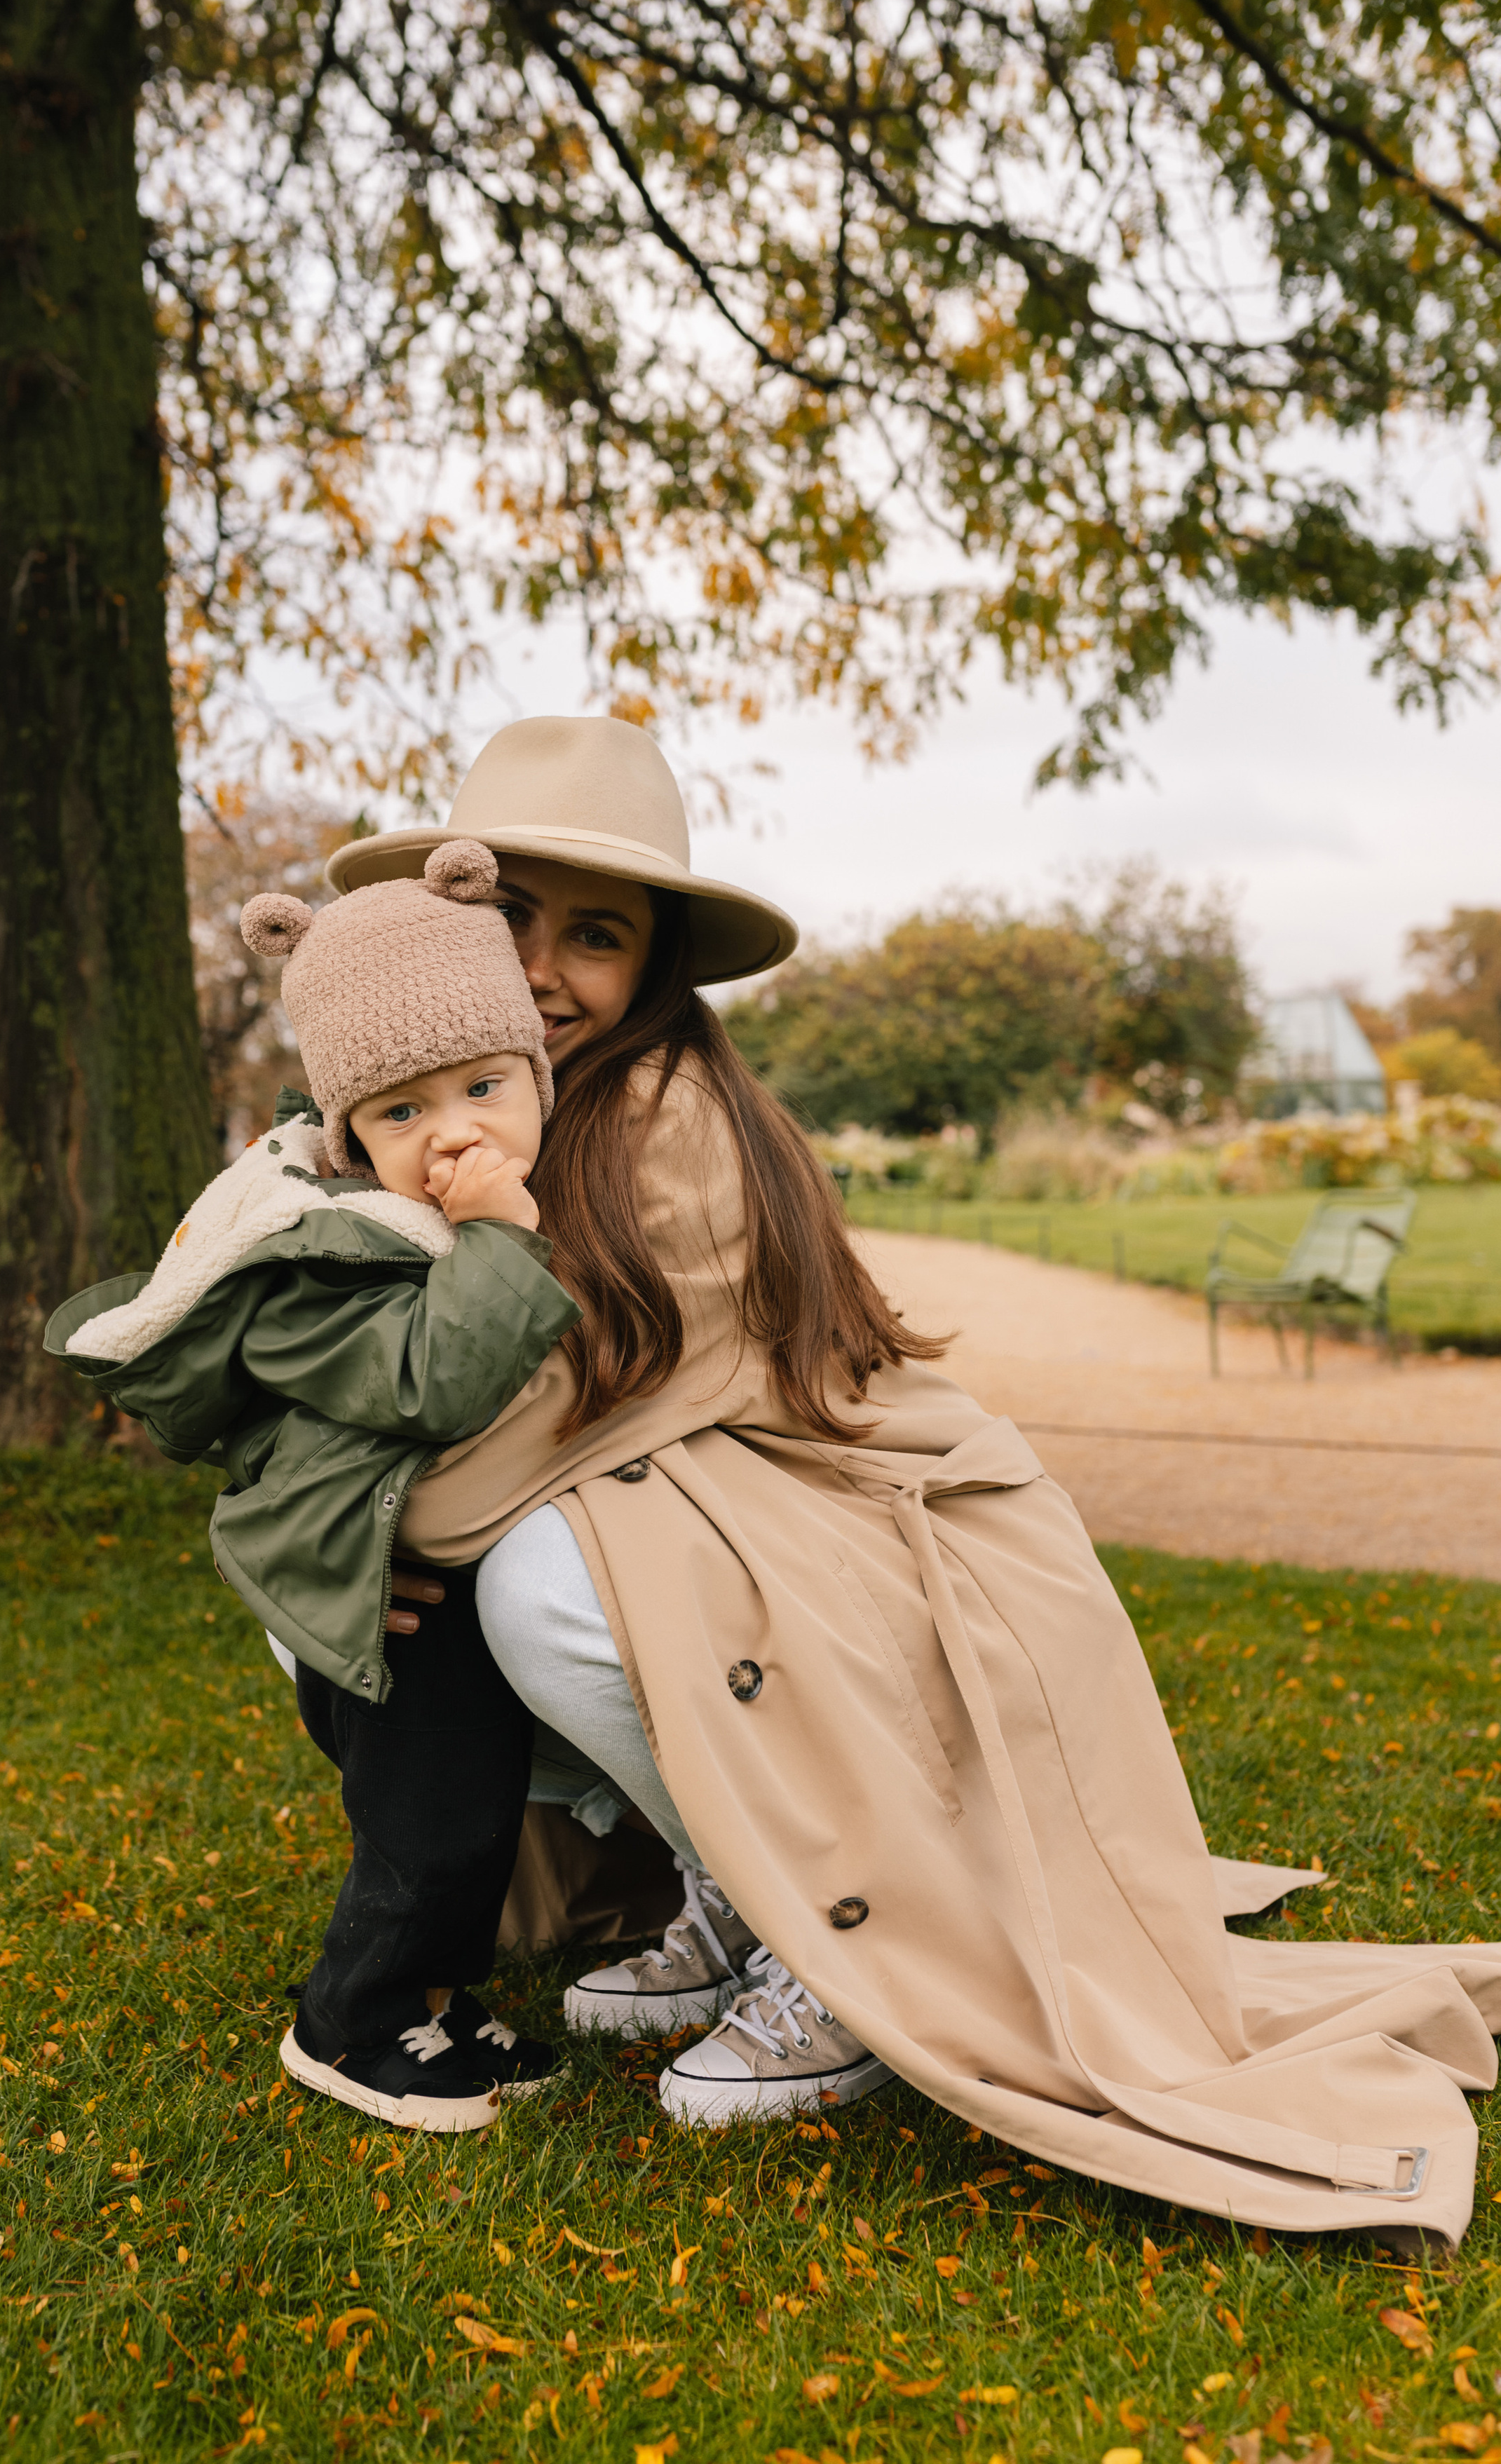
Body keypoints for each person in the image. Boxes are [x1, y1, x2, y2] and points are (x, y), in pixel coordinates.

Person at [329, 714, 1501, 2251]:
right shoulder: (440, 1109)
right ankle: (727, 1885)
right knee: (359, 1595)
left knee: (536, 1573)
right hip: (693, 1507)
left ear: (657, 967)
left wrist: (349, 1527)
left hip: (864, 1524)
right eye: (509, 921)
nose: (544, 967)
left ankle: (832, 1940)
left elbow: (545, 1428)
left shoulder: (667, 1118)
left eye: (595, 935)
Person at [43, 840, 585, 2132]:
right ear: (349, 1140)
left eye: (484, 1086)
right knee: (430, 1824)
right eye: (402, 1113)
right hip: (371, 1590)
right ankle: (352, 2025)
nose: (453, 1129)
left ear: (537, 1078)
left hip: (428, 1565)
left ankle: (438, 2002)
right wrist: (505, 1235)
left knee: (478, 1803)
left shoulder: (437, 1215)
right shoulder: (316, 1260)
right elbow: (429, 1387)